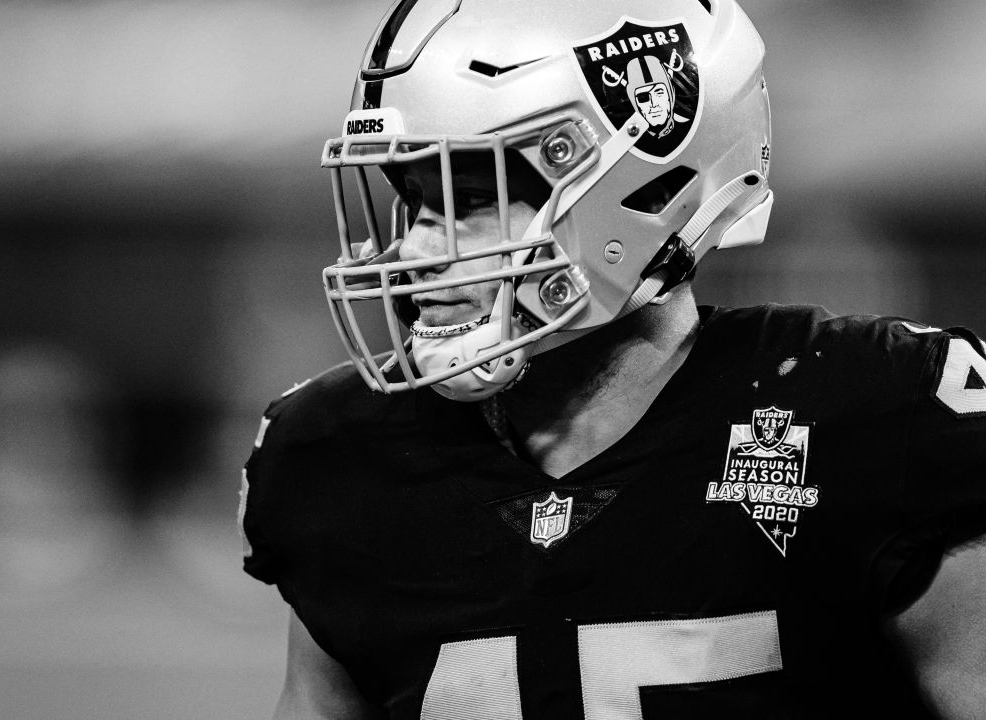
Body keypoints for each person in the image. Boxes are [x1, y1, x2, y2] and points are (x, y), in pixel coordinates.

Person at [239, 0, 986, 717]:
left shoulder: (881, 418)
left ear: (646, 185)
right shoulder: (339, 460)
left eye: (473, 196)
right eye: (418, 199)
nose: (417, 250)